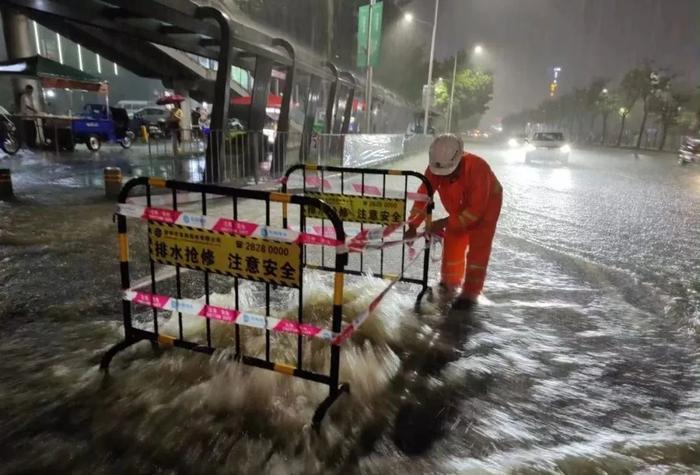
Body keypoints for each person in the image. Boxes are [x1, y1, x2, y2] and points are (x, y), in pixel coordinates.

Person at [406, 134, 502, 309]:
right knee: (452, 243)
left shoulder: (478, 168)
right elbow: (423, 197)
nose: (444, 176)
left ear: (459, 159)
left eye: (450, 172)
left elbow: (475, 211)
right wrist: (412, 224)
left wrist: (443, 223)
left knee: (477, 253)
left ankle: (471, 294)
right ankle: (450, 285)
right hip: (458, 208)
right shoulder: (436, 166)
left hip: (486, 208)